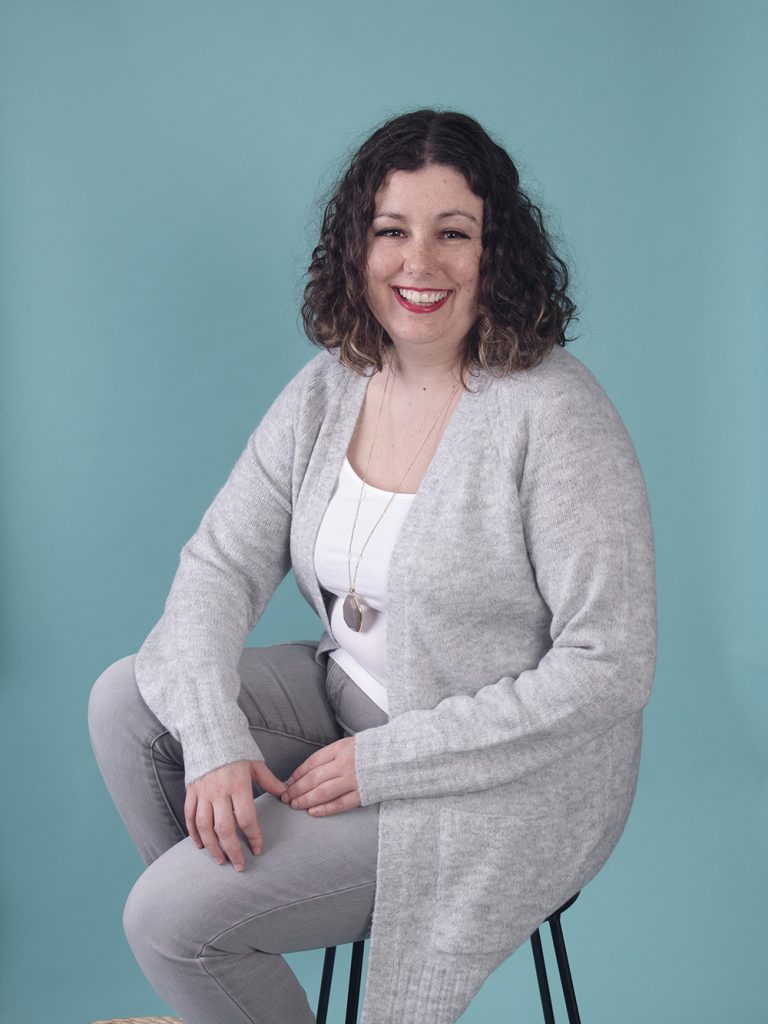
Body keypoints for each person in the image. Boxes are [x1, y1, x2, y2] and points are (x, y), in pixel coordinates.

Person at [89, 108, 656, 1024]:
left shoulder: (555, 416)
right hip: (349, 701)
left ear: (495, 252)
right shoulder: (332, 383)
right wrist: (217, 737)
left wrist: (390, 762)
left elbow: (610, 667)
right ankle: (230, 1002)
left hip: (499, 779)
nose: (417, 264)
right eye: (392, 231)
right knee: (132, 704)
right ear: (358, 247)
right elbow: (216, 565)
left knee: (167, 922)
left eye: (453, 234)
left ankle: (213, 971)